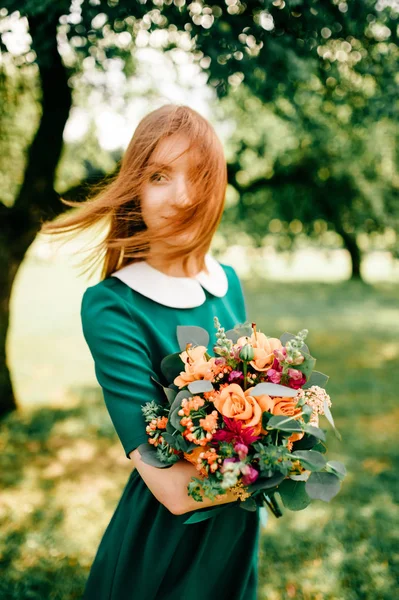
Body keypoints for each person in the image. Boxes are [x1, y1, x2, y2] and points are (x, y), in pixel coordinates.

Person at [40, 104, 261, 599]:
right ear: (134, 188)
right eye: (159, 175)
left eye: (199, 175)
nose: (182, 197)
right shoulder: (112, 306)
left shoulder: (227, 285)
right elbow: (175, 491)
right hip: (164, 550)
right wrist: (281, 469)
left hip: (236, 537)